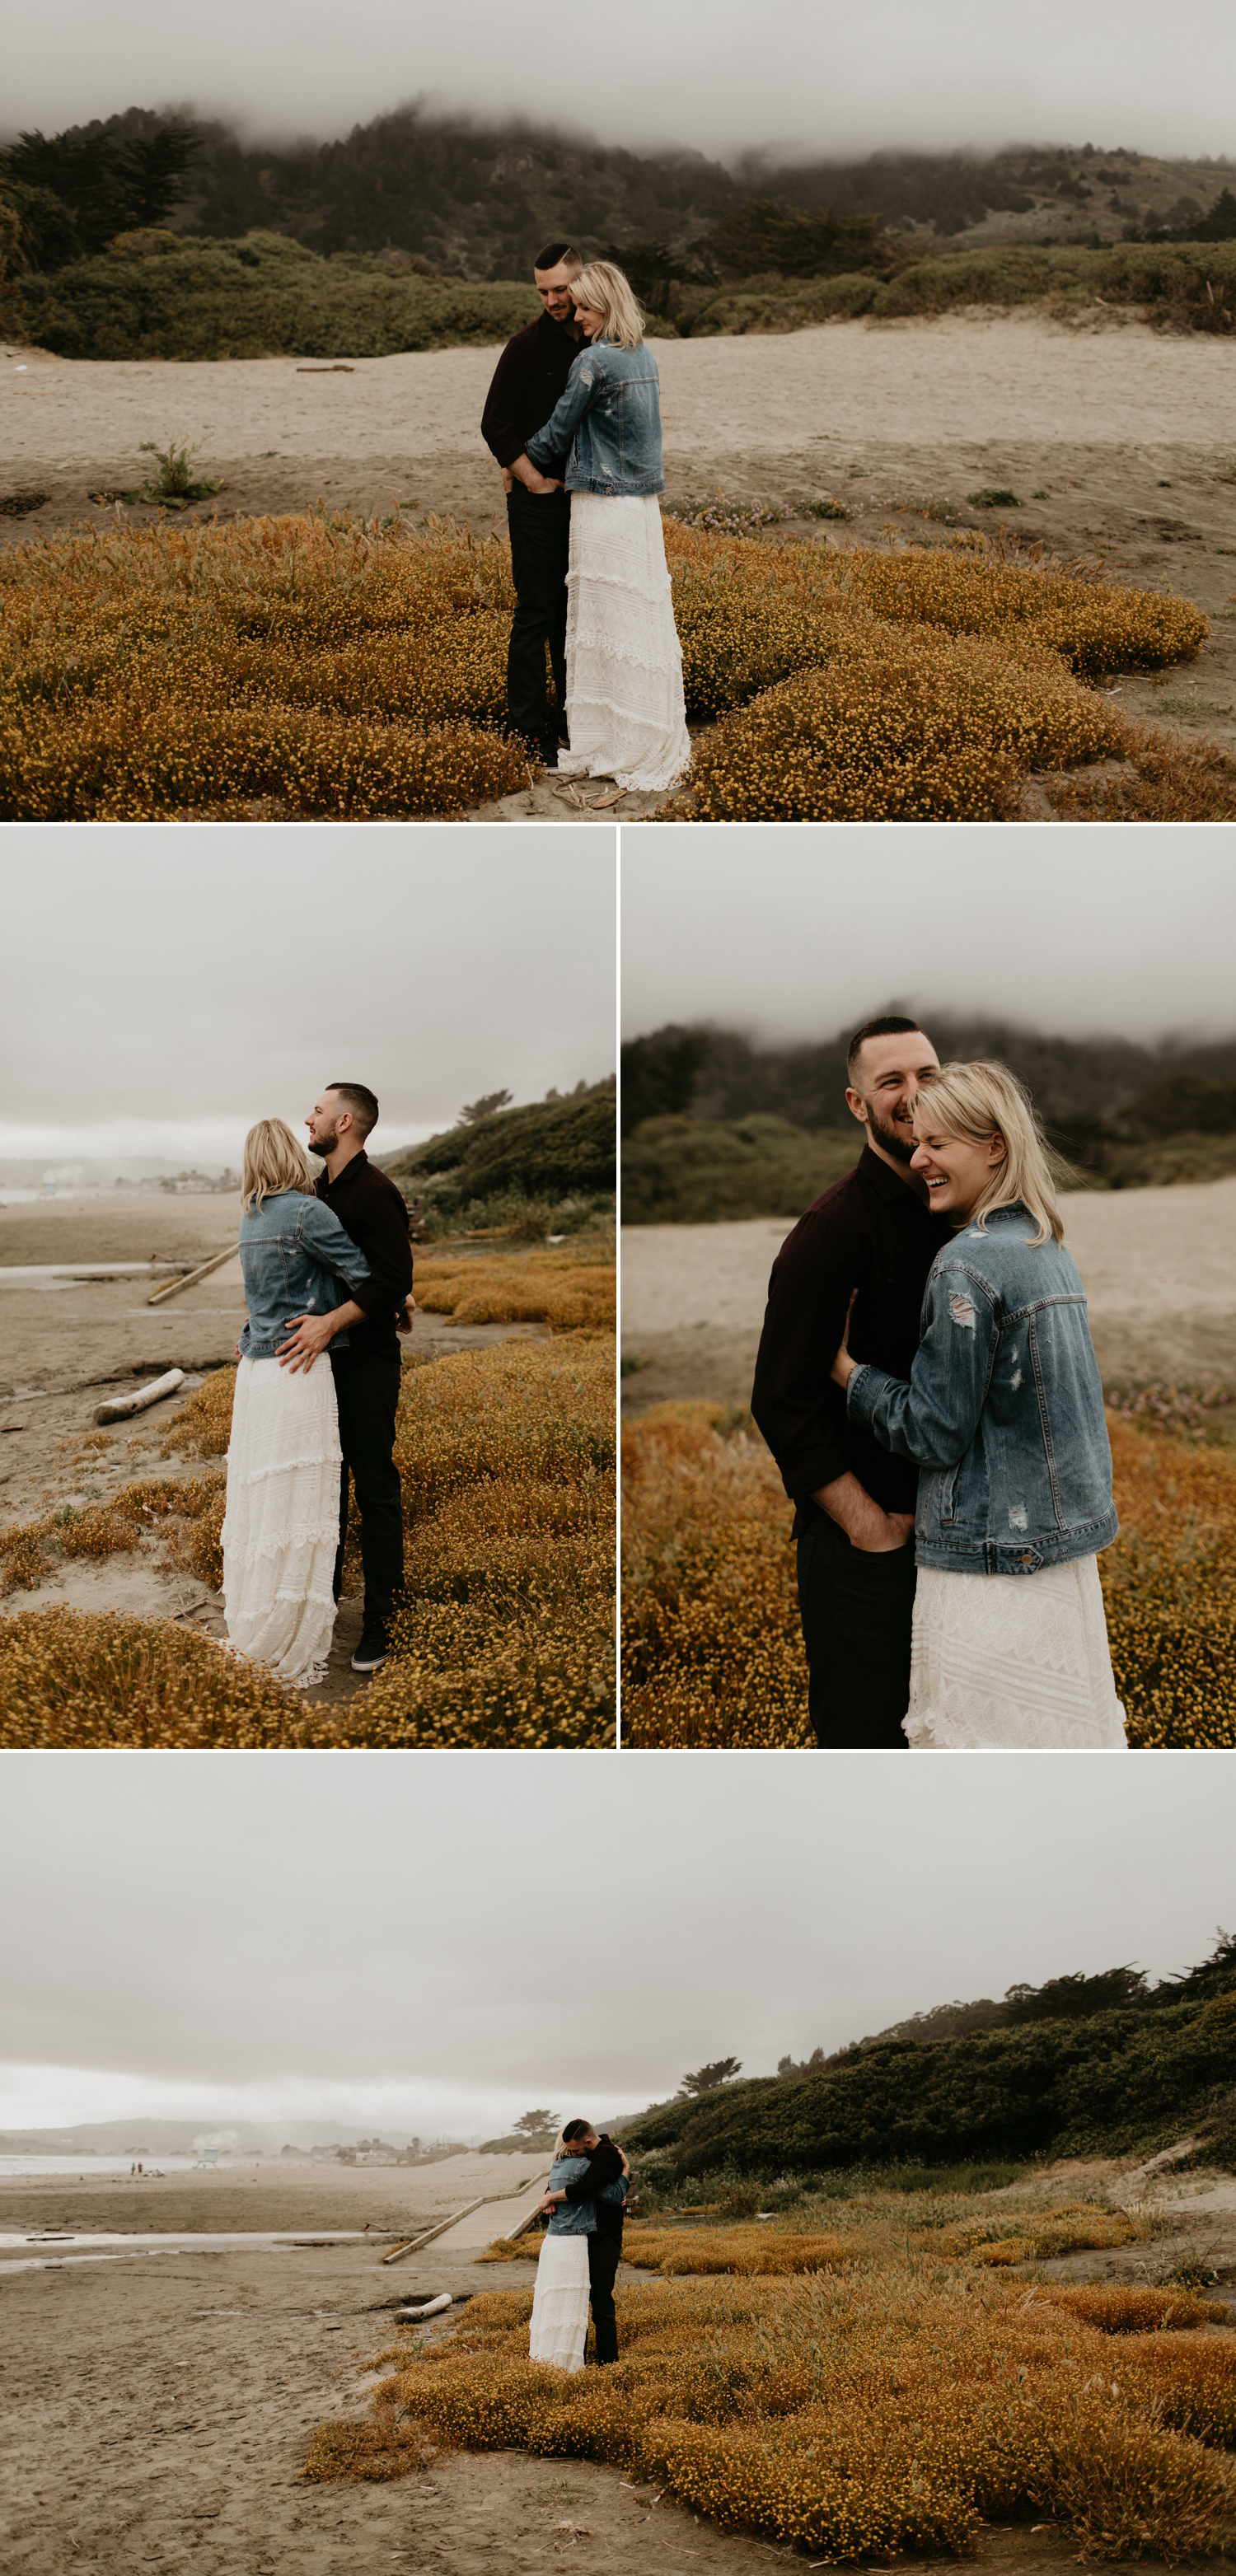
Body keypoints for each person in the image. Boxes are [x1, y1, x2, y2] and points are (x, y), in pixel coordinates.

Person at [830, 1060, 1128, 1751]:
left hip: (991, 1562)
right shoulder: (1044, 1242)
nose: (920, 1155)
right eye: (917, 1141)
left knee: (981, 1764)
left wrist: (849, 1372)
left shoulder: (967, 1262)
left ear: (995, 1146)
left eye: (939, 1143)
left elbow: (935, 1432)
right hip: (1061, 1558)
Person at [751, 1019, 951, 1749]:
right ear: (856, 1103)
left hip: (958, 1544)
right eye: (890, 1082)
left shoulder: (966, 1213)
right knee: (866, 1742)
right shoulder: (831, 1231)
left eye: (927, 1075)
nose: (914, 1094)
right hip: (865, 1550)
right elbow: (780, 1397)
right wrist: (868, 1526)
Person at [522, 260, 691, 794]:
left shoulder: (593, 361)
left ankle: (613, 742)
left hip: (601, 503)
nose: (580, 317)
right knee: (638, 623)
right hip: (641, 508)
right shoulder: (644, 355)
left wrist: (517, 459)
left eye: (587, 308)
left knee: (605, 627)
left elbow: (555, 435)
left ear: (607, 306)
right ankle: (644, 733)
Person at [222, 1118, 373, 1686]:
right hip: (299, 1367)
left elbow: (258, 1303)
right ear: (291, 1153)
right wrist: (394, 1300)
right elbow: (363, 1275)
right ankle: (289, 1624)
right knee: (300, 1504)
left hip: (258, 1375)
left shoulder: (250, 1219)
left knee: (264, 1503)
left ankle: (258, 1614)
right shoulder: (308, 1212)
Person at [275, 1085, 414, 1676]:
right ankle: (324, 1609)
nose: (308, 1116)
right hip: (321, 1365)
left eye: (317, 1109)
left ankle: (384, 1621)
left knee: (374, 1488)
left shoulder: (377, 1192)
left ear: (346, 1120)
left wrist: (333, 1321)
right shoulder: (317, 1192)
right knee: (324, 1490)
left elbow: (391, 1279)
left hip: (368, 1363)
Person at [481, 242, 587, 770]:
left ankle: (576, 725)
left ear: (583, 281)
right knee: (536, 613)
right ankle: (528, 734)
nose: (552, 300)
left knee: (577, 614)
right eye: (543, 291)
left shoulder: (600, 338)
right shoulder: (524, 346)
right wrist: (531, 480)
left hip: (588, 502)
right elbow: (494, 423)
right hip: (538, 502)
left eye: (560, 289)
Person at [529, 2120, 629, 2370]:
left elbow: (590, 2188)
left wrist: (550, 2196)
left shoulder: (605, 2155)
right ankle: (591, 2360)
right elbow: (600, 2190)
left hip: (602, 2237)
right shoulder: (582, 2162)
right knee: (587, 2300)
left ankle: (603, 2361)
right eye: (569, 2152)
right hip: (586, 2239)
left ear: (586, 2143)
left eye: (575, 2150)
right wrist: (548, 2196)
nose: (572, 2155)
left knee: (594, 2300)